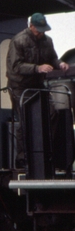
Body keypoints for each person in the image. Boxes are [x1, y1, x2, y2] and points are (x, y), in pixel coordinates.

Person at [6, 13, 68, 169]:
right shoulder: (18, 40)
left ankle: (45, 151)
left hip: (37, 84)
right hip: (19, 85)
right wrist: (37, 68)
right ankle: (22, 158)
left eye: (43, 29)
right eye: (38, 29)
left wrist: (60, 63)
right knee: (25, 119)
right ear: (31, 26)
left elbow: (53, 58)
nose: (41, 33)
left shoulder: (48, 41)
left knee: (53, 113)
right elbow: (15, 66)